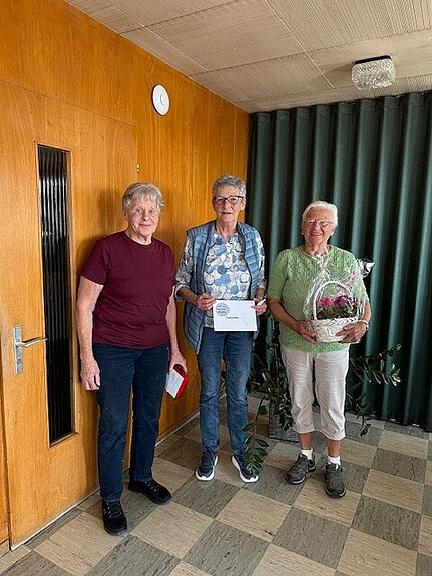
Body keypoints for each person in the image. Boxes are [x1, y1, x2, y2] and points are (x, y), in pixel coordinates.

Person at [76, 182, 187, 535]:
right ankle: (110, 497)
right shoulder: (106, 249)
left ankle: (141, 476)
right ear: (125, 213)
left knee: (149, 417)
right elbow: (84, 305)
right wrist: (87, 358)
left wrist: (175, 349)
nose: (145, 216)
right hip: (113, 351)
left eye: (152, 210)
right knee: (113, 423)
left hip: (154, 350)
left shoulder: (164, 252)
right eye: (138, 210)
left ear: (159, 215)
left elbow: (167, 304)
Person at [268, 201, 371, 498]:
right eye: (311, 221)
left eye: (324, 222)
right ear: (302, 226)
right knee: (300, 400)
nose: (317, 227)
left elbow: (363, 302)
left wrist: (363, 324)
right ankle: (306, 456)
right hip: (295, 342)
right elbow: (273, 301)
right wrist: (295, 325)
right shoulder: (287, 259)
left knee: (333, 403)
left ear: (333, 229)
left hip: (334, 345)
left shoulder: (346, 260)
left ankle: (334, 463)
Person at [176, 175, 266, 483]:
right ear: (213, 203)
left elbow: (260, 280)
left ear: (242, 203)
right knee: (211, 391)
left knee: (238, 393)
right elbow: (179, 283)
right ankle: (210, 449)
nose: (226, 205)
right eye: (220, 199)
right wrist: (195, 299)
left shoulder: (251, 236)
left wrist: (259, 298)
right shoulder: (197, 237)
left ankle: (241, 452)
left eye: (233, 199)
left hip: (241, 327)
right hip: (208, 327)